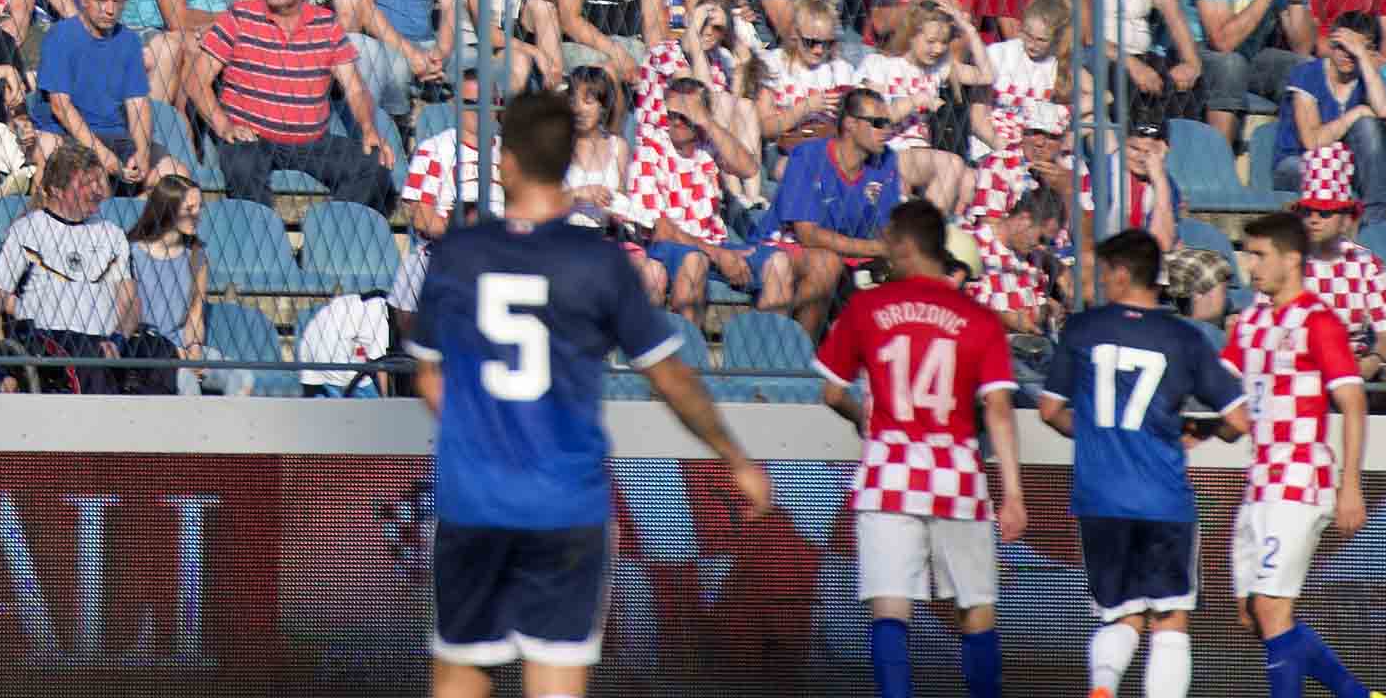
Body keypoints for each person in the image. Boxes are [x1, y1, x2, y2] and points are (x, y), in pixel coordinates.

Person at [410, 86, 770, 698]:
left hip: (476, 497)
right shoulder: (598, 262)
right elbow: (669, 376)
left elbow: (427, 375)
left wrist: (483, 430)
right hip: (565, 500)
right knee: (556, 678)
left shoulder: (459, 255)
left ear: (507, 162)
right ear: (565, 162)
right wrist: (734, 456)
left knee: (461, 675)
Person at [813, 200, 1030, 698]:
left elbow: (831, 391)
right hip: (956, 473)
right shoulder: (979, 318)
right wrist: (1013, 495)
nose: (885, 249)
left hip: (888, 471)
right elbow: (998, 408)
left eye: (890, 240)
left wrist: (864, 419)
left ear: (907, 245)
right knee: (975, 606)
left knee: (890, 608)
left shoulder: (867, 307)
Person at [1036, 229, 1250, 698]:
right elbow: (1238, 419)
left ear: (1119, 274)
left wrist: (1094, 432)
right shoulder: (1184, 338)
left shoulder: (1083, 329)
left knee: (1121, 615)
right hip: (1162, 498)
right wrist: (1202, 432)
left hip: (1100, 497)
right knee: (1169, 619)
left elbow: (1050, 410)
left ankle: (1103, 686)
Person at [1225, 210, 1373, 698]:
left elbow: (1353, 402)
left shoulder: (1318, 321)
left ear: (1291, 259)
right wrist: (1191, 431)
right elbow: (1225, 399)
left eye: (1259, 255)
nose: (1250, 266)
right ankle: (1356, 694)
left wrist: (1350, 485)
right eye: (1248, 254)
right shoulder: (1249, 322)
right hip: (1259, 480)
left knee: (1272, 608)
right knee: (1253, 614)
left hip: (1301, 478)